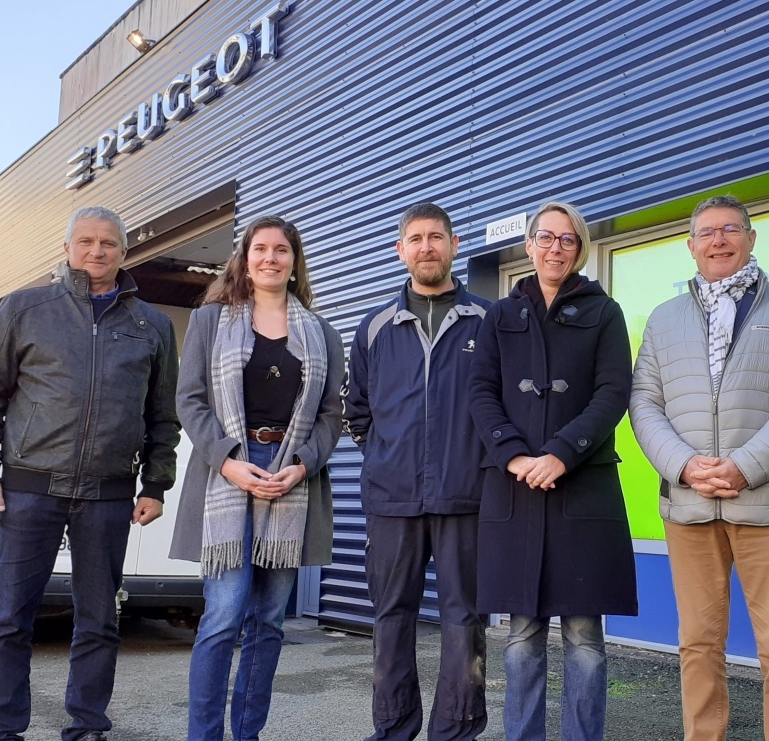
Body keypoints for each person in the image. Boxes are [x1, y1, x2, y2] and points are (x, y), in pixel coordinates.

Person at [0, 206, 181, 741]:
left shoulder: (151, 325)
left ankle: (87, 726)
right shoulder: (23, 308)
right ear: (66, 249)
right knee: (10, 617)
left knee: (100, 620)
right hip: (29, 488)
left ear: (124, 251)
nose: (96, 251)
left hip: (108, 495)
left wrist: (155, 483)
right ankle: (0, 729)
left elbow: (162, 414)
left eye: (108, 242)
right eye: (85, 241)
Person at [629, 194, 769, 741]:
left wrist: (745, 466)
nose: (718, 240)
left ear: (751, 238)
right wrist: (683, 466)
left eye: (730, 229)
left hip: (768, 505)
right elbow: (644, 402)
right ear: (691, 246)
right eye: (707, 232)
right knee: (697, 644)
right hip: (689, 506)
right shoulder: (663, 319)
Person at [169, 215, 344, 741]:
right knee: (224, 614)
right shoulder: (209, 322)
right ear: (245, 260)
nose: (270, 258)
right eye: (260, 249)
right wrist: (226, 459)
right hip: (228, 471)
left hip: (291, 477)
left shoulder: (322, 333)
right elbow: (190, 401)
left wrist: (303, 464)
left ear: (294, 261)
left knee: (269, 620)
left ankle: (247, 733)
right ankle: (204, 736)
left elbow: (331, 415)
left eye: (281, 250)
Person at [468, 201, 638, 741]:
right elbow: (481, 392)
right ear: (529, 245)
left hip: (582, 487)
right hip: (515, 487)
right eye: (546, 237)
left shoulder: (604, 312)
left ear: (579, 248)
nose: (555, 248)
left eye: (567, 239)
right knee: (521, 636)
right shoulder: (500, 316)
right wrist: (514, 455)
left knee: (585, 637)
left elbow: (613, 392)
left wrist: (563, 452)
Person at [343, 202, 491, 741]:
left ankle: (456, 730)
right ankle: (393, 728)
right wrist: (387, 456)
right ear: (400, 249)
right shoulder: (375, 326)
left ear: (454, 245)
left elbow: (501, 409)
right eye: (416, 238)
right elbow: (356, 410)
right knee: (391, 618)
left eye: (436, 237)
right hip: (392, 497)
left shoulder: (487, 321)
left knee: (464, 620)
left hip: (466, 496)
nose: (426, 247)